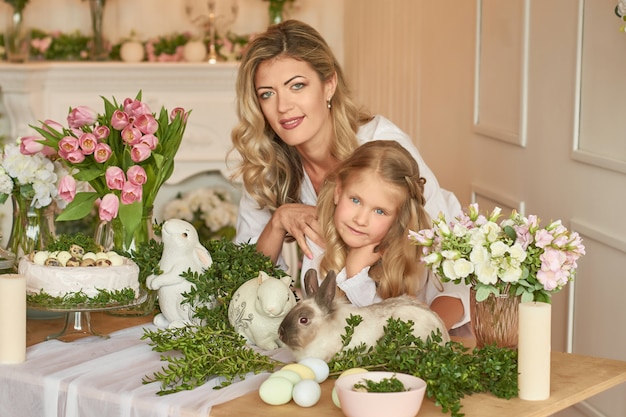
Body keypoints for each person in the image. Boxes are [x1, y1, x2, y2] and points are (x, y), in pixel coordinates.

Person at [229, 20, 465, 328]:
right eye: (267, 94)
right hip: (343, 331)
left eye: (297, 86)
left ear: (329, 85)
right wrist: (277, 222)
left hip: (431, 319)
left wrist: (419, 335)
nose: (283, 106)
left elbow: (456, 263)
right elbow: (245, 281)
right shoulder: (267, 164)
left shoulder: (382, 147)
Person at [300, 140, 469, 331]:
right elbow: (326, 325)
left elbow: (387, 330)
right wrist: (355, 273)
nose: (361, 219)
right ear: (338, 191)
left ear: (398, 218)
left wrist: (356, 270)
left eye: (380, 211)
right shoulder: (318, 239)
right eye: (355, 200)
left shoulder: (419, 248)